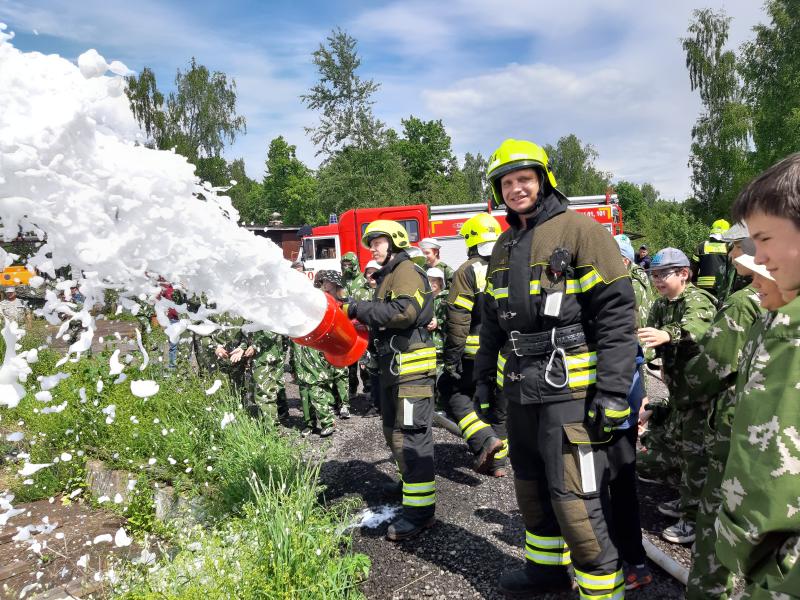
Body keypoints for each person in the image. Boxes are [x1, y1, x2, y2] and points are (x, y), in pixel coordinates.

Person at [477, 139, 636, 598]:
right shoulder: (504, 245)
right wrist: (484, 379)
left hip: (571, 394)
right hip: (521, 392)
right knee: (531, 491)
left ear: (544, 180)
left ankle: (602, 591)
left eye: (524, 179)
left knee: (578, 505)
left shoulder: (582, 231)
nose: (516, 188)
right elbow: (491, 320)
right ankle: (545, 573)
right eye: (507, 182)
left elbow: (617, 315)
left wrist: (610, 392)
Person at [713, 153, 800, 599]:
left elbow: (767, 471)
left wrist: (737, 547)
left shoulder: (792, 326)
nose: (758, 257)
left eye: (763, 238)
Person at [347, 220, 437, 541]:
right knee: (392, 430)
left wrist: (358, 308)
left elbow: (404, 313)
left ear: (396, 241)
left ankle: (420, 512)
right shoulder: (388, 276)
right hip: (392, 367)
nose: (372, 247)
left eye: (378, 241)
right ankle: (409, 484)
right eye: (371, 242)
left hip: (411, 367)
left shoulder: (407, 271)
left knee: (412, 437)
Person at [684, 237, 762, 600]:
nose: (728, 257)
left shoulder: (745, 301)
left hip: (736, 426)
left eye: (733, 248)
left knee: (716, 521)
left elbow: (713, 364)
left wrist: (685, 393)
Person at [637, 248, 716, 545]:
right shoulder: (660, 304)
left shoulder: (697, 300)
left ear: (684, 274)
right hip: (680, 393)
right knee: (680, 450)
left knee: (697, 458)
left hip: (702, 395)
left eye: (663, 274)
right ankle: (686, 502)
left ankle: (693, 522)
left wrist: (668, 334)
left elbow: (696, 328)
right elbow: (649, 337)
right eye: (653, 275)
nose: (657, 280)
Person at [438, 213, 507, 477]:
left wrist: (452, 358)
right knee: (497, 405)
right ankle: (498, 464)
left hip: (475, 353)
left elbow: (458, 319)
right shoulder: (512, 265)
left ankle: (483, 440)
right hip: (509, 351)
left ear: (471, 240)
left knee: (451, 390)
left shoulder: (467, 270)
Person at [611, 233, 654, 590]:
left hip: (619, 403)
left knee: (621, 484)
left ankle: (635, 563)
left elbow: (631, 354)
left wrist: (635, 402)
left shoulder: (622, 294)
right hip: (608, 402)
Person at [318, 270, 351, 420]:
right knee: (326, 374)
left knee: (341, 373)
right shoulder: (320, 301)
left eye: (327, 281)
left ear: (334, 283)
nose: (324, 283)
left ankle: (344, 404)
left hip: (339, 342)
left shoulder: (344, 301)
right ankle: (331, 402)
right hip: (325, 342)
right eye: (323, 281)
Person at [692, 218, 732, 301]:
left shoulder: (702, 246)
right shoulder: (729, 247)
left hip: (703, 288)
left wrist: (693, 283)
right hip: (723, 287)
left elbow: (693, 268)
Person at [426, 267, 448, 379]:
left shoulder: (446, 297)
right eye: (429, 280)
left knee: (442, 378)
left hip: (442, 346)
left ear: (440, 281)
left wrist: (438, 322)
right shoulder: (424, 299)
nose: (431, 283)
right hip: (427, 345)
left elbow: (452, 318)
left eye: (434, 280)